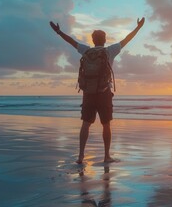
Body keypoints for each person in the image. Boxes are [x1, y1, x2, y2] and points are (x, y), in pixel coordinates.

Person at [49, 17, 145, 164]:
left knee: (85, 124)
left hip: (88, 93)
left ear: (93, 40)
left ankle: (81, 156)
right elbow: (127, 39)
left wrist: (59, 31)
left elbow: (71, 41)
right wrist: (138, 27)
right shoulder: (110, 51)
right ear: (104, 40)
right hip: (104, 92)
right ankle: (106, 156)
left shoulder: (86, 50)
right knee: (106, 125)